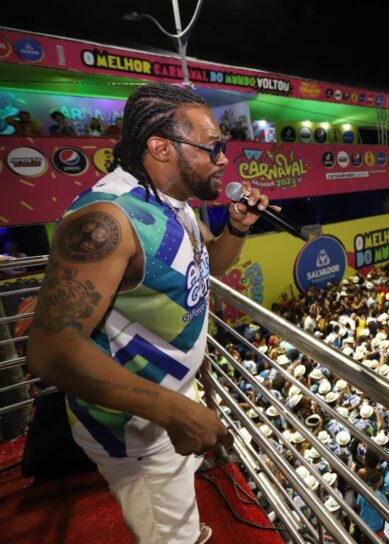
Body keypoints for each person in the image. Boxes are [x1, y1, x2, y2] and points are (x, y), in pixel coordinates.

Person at [28, 83, 276, 544]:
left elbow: (211, 267)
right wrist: (175, 411)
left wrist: (238, 226)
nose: (225, 158)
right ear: (161, 147)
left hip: (166, 408)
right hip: (135, 432)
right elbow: (50, 352)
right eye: (213, 147)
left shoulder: (175, 204)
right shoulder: (106, 219)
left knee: (175, 512)